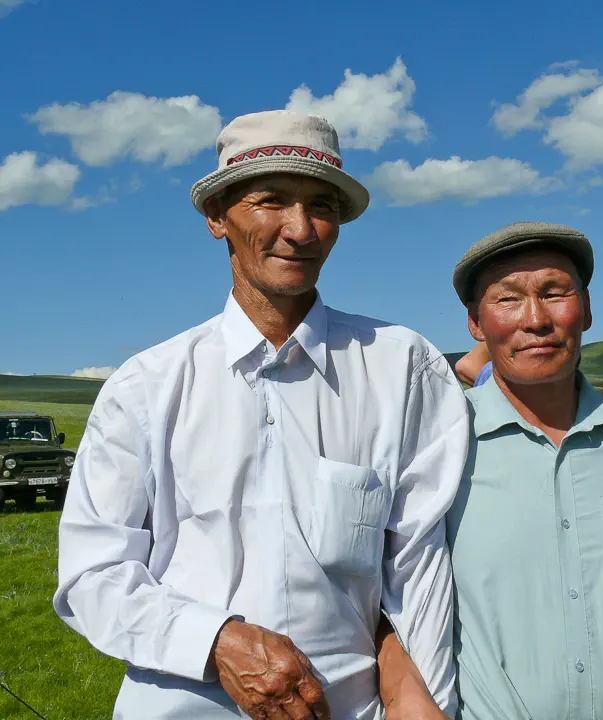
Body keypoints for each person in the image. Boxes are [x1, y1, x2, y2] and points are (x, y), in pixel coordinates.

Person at [54, 110, 468, 719]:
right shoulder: (146, 387)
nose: (299, 230)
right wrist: (215, 641)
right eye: (270, 200)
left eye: (321, 206)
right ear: (216, 217)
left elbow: (421, 570)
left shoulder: (403, 368)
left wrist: (428, 705)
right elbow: (92, 574)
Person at [383, 222, 603, 719]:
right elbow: (381, 596)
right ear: (475, 323)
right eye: (508, 300)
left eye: (555, 293)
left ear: (587, 310)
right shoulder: (439, 446)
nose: (536, 319)